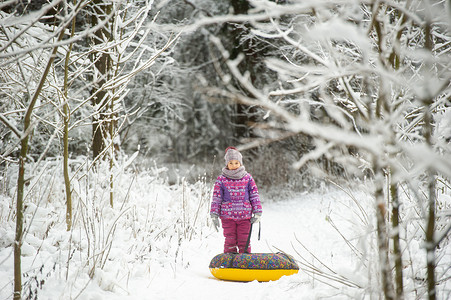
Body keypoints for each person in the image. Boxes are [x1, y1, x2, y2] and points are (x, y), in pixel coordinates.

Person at [210, 147, 262, 253]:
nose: (234, 166)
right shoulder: (221, 179)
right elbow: (216, 198)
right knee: (230, 240)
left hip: (245, 217)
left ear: (240, 163)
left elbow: (254, 195)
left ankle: (245, 261)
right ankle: (230, 262)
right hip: (227, 217)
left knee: (244, 240)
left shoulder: (247, 178)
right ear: (227, 164)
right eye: (231, 163)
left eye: (236, 163)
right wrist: (214, 214)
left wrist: (257, 212)